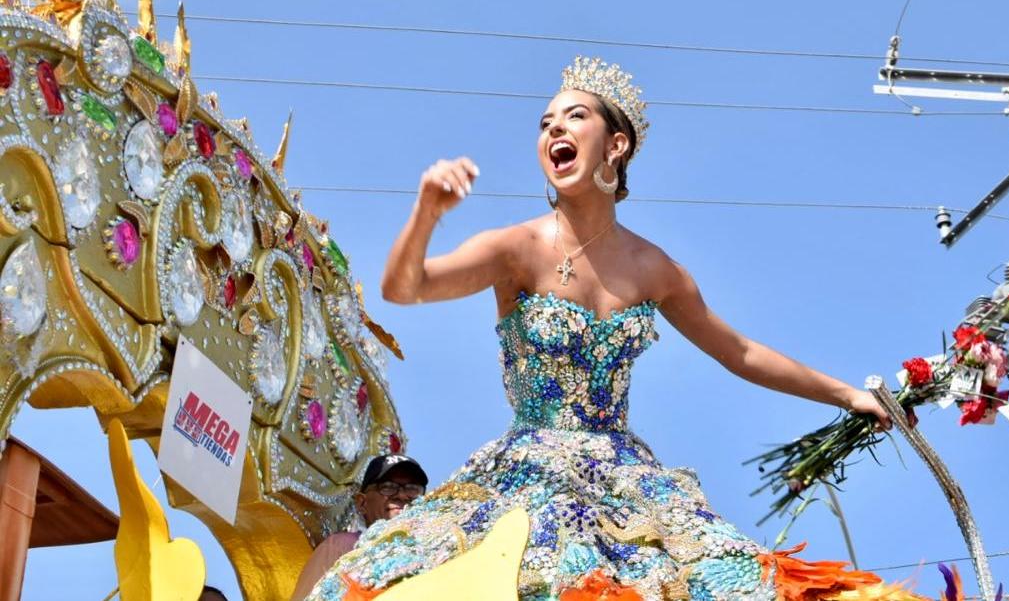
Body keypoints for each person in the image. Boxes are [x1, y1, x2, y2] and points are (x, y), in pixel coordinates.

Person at [306, 57, 893, 600]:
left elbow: (737, 351)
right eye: (545, 123)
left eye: (575, 116)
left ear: (616, 144)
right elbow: (404, 288)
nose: (554, 130)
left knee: (724, 579)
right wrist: (426, 213)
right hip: (524, 473)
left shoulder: (654, 269)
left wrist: (848, 395)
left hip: (626, 483)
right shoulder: (517, 248)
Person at [290, 454, 429, 601]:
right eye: (388, 487)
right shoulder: (342, 547)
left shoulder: (435, 548)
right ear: (361, 503)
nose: (401, 495)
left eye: (412, 489)